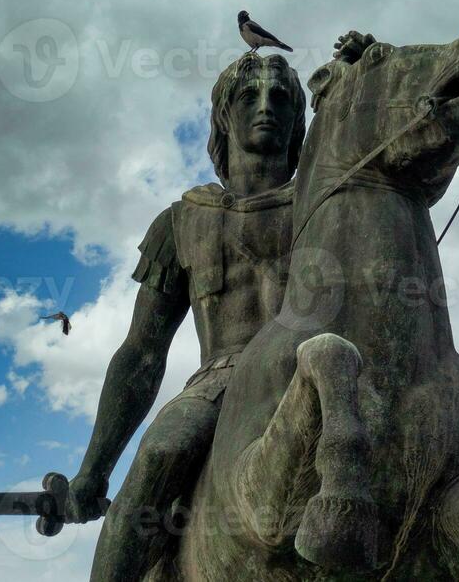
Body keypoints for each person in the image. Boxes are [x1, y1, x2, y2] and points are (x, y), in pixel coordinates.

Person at [68, 52, 307, 581]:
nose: (267, 107)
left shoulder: (325, 202)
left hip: (315, 367)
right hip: (220, 382)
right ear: (224, 115)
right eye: (249, 97)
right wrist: (95, 469)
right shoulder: (179, 222)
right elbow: (141, 352)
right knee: (161, 453)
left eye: (282, 98)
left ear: (298, 118)